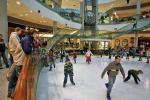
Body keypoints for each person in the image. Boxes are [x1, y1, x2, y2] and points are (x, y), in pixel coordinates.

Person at [8, 27, 25, 98]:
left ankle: (10, 91)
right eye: (21, 31)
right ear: (18, 30)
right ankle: (13, 93)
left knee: (13, 75)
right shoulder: (14, 36)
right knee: (16, 73)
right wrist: (22, 52)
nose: (21, 33)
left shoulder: (15, 36)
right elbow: (18, 46)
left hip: (16, 56)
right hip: (16, 55)